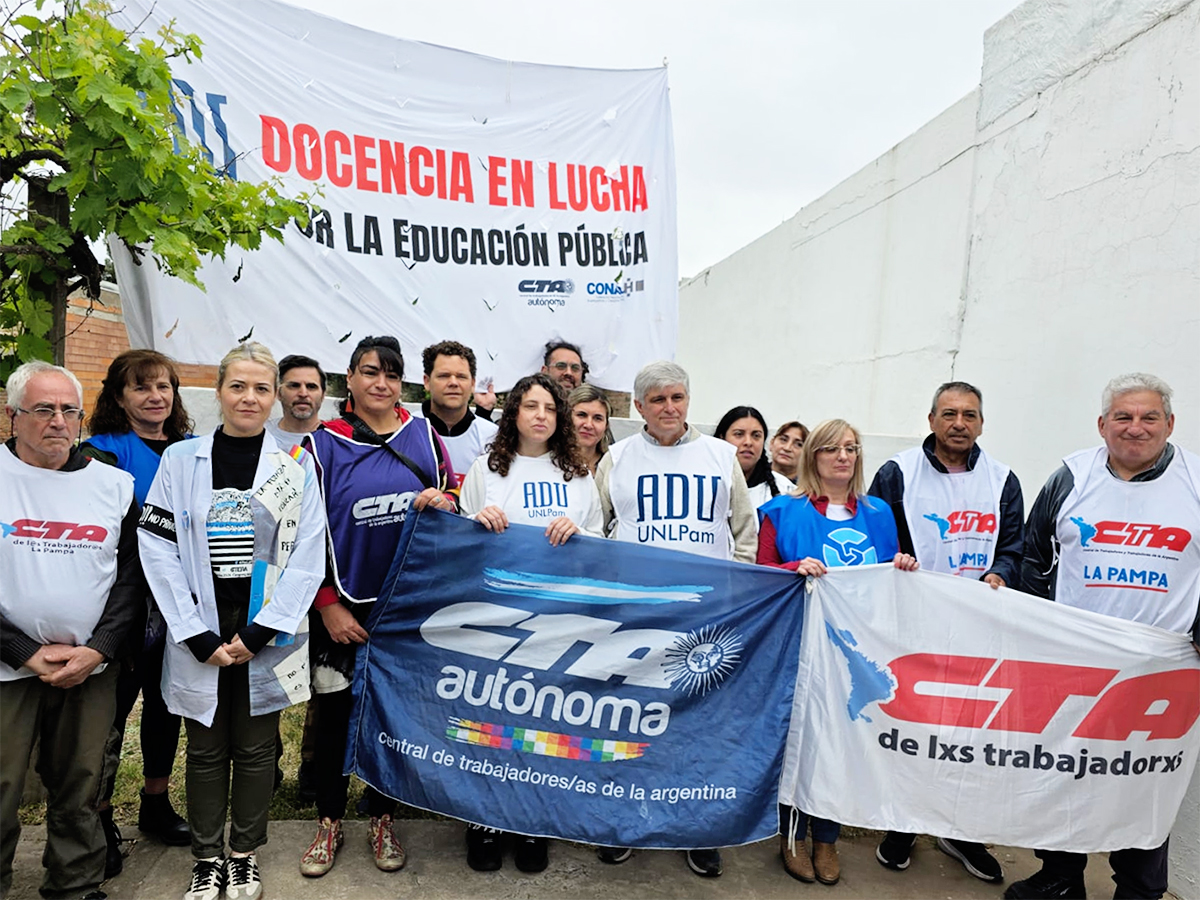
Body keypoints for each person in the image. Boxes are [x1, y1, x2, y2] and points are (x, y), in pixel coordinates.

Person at [138, 342, 326, 900]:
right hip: (200, 630)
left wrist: (263, 632)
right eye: (238, 386)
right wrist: (194, 633)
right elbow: (156, 544)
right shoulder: (179, 460)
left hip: (262, 633)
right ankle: (205, 857)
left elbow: (308, 555)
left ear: (274, 399)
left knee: (255, 748)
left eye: (261, 388)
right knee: (204, 748)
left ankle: (242, 854)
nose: (250, 397)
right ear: (218, 391)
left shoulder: (294, 468)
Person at [1006, 374, 1198, 900]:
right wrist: (1044, 625)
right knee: (1065, 769)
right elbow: (1033, 551)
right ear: (1103, 424)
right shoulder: (1072, 476)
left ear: (1170, 424)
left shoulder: (1196, 480)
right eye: (1123, 417)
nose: (1135, 428)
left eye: (1148, 417)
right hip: (1076, 662)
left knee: (1143, 782)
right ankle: (1060, 877)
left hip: (1161, 668)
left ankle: (1139, 890)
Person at [299, 335, 456, 880]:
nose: (381, 384)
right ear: (350, 377)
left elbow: (452, 500)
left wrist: (446, 501)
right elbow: (300, 537)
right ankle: (328, 819)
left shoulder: (426, 437)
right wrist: (325, 606)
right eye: (370, 372)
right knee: (336, 714)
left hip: (406, 610)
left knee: (391, 716)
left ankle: (382, 816)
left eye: (391, 374)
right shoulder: (322, 445)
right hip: (342, 608)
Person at [594, 360, 757, 878]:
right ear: (639, 407)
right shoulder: (616, 459)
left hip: (704, 621)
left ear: (689, 401)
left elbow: (744, 536)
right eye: (658, 400)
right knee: (631, 722)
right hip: (635, 618)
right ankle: (625, 822)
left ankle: (697, 828)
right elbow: (598, 532)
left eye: (678, 398)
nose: (670, 408)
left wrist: (733, 600)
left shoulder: (720, 456)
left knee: (700, 727)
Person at [868, 381, 1023, 883]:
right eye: (950, 413)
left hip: (980, 627)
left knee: (970, 731)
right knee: (912, 727)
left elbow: (1018, 545)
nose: (960, 423)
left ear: (982, 423)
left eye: (970, 415)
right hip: (915, 626)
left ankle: (960, 830)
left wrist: (1001, 571)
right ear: (931, 419)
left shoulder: (1003, 479)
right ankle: (904, 825)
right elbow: (877, 537)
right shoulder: (898, 472)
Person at [757, 418, 919, 886]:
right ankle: (792, 835)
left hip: (854, 652)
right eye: (832, 449)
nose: (843, 456)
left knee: (842, 742)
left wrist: (903, 566)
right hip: (799, 647)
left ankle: (826, 835)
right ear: (814, 457)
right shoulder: (780, 512)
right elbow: (763, 574)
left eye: (851, 448)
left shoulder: (879, 513)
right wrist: (793, 567)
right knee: (799, 743)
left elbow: (889, 576)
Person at [1, 361, 142, 900]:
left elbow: (133, 581)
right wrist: (25, 651)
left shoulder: (113, 486)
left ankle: (75, 885)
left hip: (90, 667)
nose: (57, 421)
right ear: (13, 416)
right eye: (42, 409)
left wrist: (99, 649)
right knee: (0, 784)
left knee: (81, 782)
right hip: (7, 667)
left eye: (68, 410)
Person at [458, 373, 602, 873]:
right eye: (530, 406)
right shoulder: (485, 469)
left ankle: (531, 820)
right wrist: (478, 523)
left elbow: (600, 542)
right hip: (496, 616)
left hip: (560, 620)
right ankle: (484, 820)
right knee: (494, 718)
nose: (541, 415)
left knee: (543, 722)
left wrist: (577, 531)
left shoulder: (577, 474)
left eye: (550, 408)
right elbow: (461, 538)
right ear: (514, 412)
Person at [81, 350, 195, 875]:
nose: (155, 397)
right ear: (119, 397)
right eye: (141, 388)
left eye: (164, 387)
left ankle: (155, 801)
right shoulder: (100, 453)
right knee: (111, 713)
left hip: (179, 604)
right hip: (120, 607)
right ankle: (98, 817)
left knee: (165, 704)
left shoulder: (193, 451)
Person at [421, 340, 498, 485]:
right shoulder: (406, 430)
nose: (453, 383)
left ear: (473, 383)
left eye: (461, 376)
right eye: (444, 376)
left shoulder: (493, 437)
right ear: (427, 381)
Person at [473, 339, 588, 419]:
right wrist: (483, 412)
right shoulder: (522, 408)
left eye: (575, 368)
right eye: (561, 366)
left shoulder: (591, 416)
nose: (568, 372)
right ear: (544, 370)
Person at [714, 406, 793, 509]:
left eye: (756, 436)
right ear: (722, 438)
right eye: (739, 434)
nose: (748, 442)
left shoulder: (787, 491)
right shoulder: (703, 483)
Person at [266, 355, 326, 442]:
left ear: (323, 394)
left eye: (311, 387)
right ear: (278, 393)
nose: (303, 394)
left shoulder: (336, 441)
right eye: (294, 386)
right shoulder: (260, 435)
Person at [568, 383, 614, 475]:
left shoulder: (614, 466)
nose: (588, 425)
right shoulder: (550, 463)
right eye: (581, 415)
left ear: (606, 425)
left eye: (597, 418)